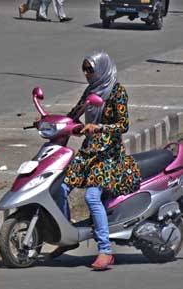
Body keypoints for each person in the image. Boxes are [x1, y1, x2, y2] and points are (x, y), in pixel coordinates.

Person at [49, 51, 141, 270]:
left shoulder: (117, 92)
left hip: (108, 154)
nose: (86, 74)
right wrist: (49, 122)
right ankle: (68, 237)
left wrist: (98, 127)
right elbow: (73, 115)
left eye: (90, 69)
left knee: (92, 196)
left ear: (102, 69)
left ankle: (105, 250)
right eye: (85, 69)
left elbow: (123, 126)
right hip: (89, 151)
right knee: (59, 188)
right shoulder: (90, 91)